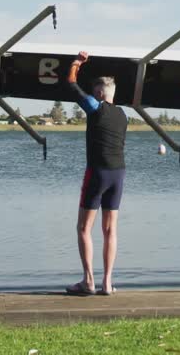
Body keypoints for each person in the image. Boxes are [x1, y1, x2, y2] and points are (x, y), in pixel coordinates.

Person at [65, 51, 128, 296]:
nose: (92, 95)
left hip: (98, 173)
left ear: (100, 94)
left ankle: (88, 281)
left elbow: (71, 85)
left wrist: (76, 64)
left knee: (83, 227)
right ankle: (107, 284)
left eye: (94, 92)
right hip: (118, 174)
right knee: (110, 229)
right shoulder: (123, 115)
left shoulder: (96, 107)